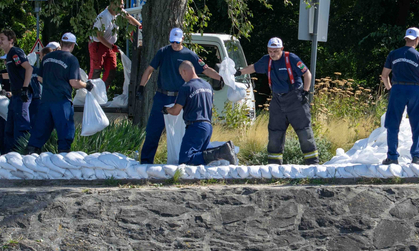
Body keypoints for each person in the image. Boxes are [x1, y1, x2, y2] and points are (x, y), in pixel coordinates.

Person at [135, 27, 222, 164]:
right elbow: (150, 69)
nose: (174, 45)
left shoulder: (190, 55)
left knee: (185, 131)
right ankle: (146, 162)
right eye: (172, 42)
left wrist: (220, 78)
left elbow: (205, 70)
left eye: (177, 42)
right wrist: (141, 87)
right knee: (153, 131)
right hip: (162, 96)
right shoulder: (163, 52)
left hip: (181, 98)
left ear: (182, 39)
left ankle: (189, 160)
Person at [234, 37, 318, 165]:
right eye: (270, 51)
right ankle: (274, 165)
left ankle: (312, 163)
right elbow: (253, 68)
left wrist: (305, 92)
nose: (272, 54)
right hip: (277, 100)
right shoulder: (266, 60)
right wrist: (239, 72)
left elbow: (307, 74)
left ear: (282, 49)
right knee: (275, 132)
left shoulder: (291, 58)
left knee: (304, 130)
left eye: (275, 51)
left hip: (295, 99)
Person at [26, 33, 93, 153]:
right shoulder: (71, 59)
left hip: (45, 101)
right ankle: (62, 160)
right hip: (62, 102)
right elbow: (74, 82)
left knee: (39, 133)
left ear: (61, 43)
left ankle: (30, 157)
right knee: (64, 134)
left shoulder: (47, 58)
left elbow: (40, 78)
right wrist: (86, 85)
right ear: (72, 45)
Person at [379, 27, 419, 165]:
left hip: (397, 88)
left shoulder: (393, 54)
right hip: (413, 90)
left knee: (393, 124)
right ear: (417, 39)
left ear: (406, 38)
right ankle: (417, 156)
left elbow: (384, 75)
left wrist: (389, 90)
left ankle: (392, 157)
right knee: (417, 124)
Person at [164, 61, 237, 165]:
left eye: (181, 74)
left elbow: (176, 111)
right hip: (207, 126)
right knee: (199, 157)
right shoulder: (207, 86)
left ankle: (222, 152)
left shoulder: (186, 87)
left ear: (184, 71)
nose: (182, 77)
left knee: (186, 160)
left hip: (195, 126)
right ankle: (225, 149)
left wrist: (166, 110)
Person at [89, 0, 141, 90]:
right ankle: (91, 93)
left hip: (110, 45)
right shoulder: (104, 16)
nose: (121, 8)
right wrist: (111, 47)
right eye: (119, 6)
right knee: (96, 70)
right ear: (112, 4)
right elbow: (99, 36)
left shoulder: (119, 11)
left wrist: (140, 27)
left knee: (111, 70)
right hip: (98, 44)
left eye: (122, 6)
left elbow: (129, 17)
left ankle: (102, 92)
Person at [0, 29, 34, 154]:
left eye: (2, 39)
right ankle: (9, 155)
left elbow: (28, 68)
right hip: (15, 95)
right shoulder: (8, 56)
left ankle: (22, 154)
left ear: (11, 40)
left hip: (21, 95)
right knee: (9, 127)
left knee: (21, 126)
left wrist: (25, 88)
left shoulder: (15, 53)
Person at [29, 42, 60, 131]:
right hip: (53, 101)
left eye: (41, 56)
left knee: (37, 127)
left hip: (41, 101)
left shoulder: (40, 70)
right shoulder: (60, 67)